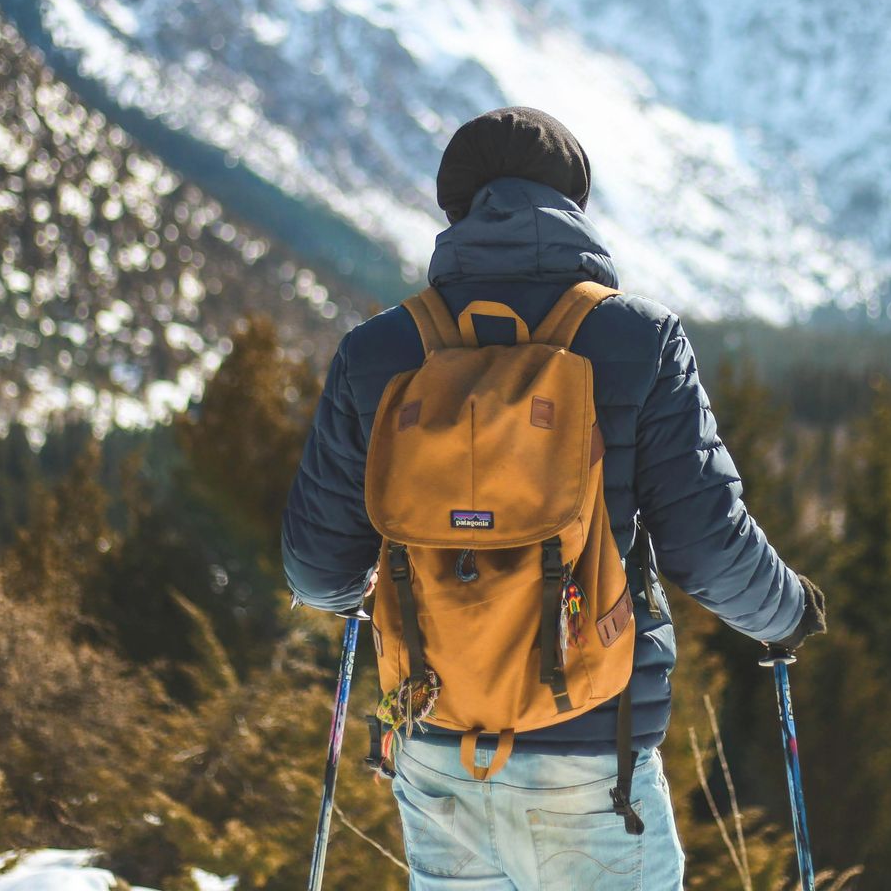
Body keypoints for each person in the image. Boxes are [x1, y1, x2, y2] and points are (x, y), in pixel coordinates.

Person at [283, 106, 826, 889]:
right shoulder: (639, 340)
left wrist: (371, 589)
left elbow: (315, 570)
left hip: (438, 746)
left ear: (457, 208)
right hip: (592, 753)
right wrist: (786, 615)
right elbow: (707, 545)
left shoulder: (379, 352)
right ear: (573, 205)